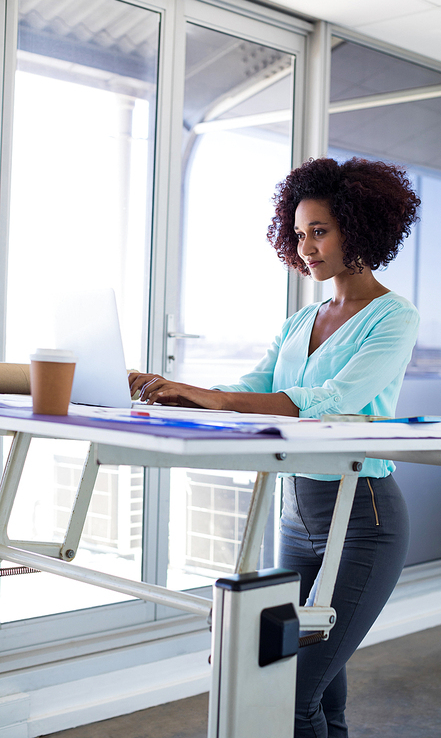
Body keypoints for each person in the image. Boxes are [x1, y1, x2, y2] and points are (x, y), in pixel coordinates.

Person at [129, 157, 421, 737]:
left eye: (320, 231)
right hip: (298, 518)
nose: (306, 246)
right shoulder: (301, 320)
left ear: (358, 229)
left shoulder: (394, 317)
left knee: (290, 693)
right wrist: (176, 392)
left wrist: (214, 399)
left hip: (363, 517)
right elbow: (255, 386)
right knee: (313, 688)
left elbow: (334, 396)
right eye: (299, 233)